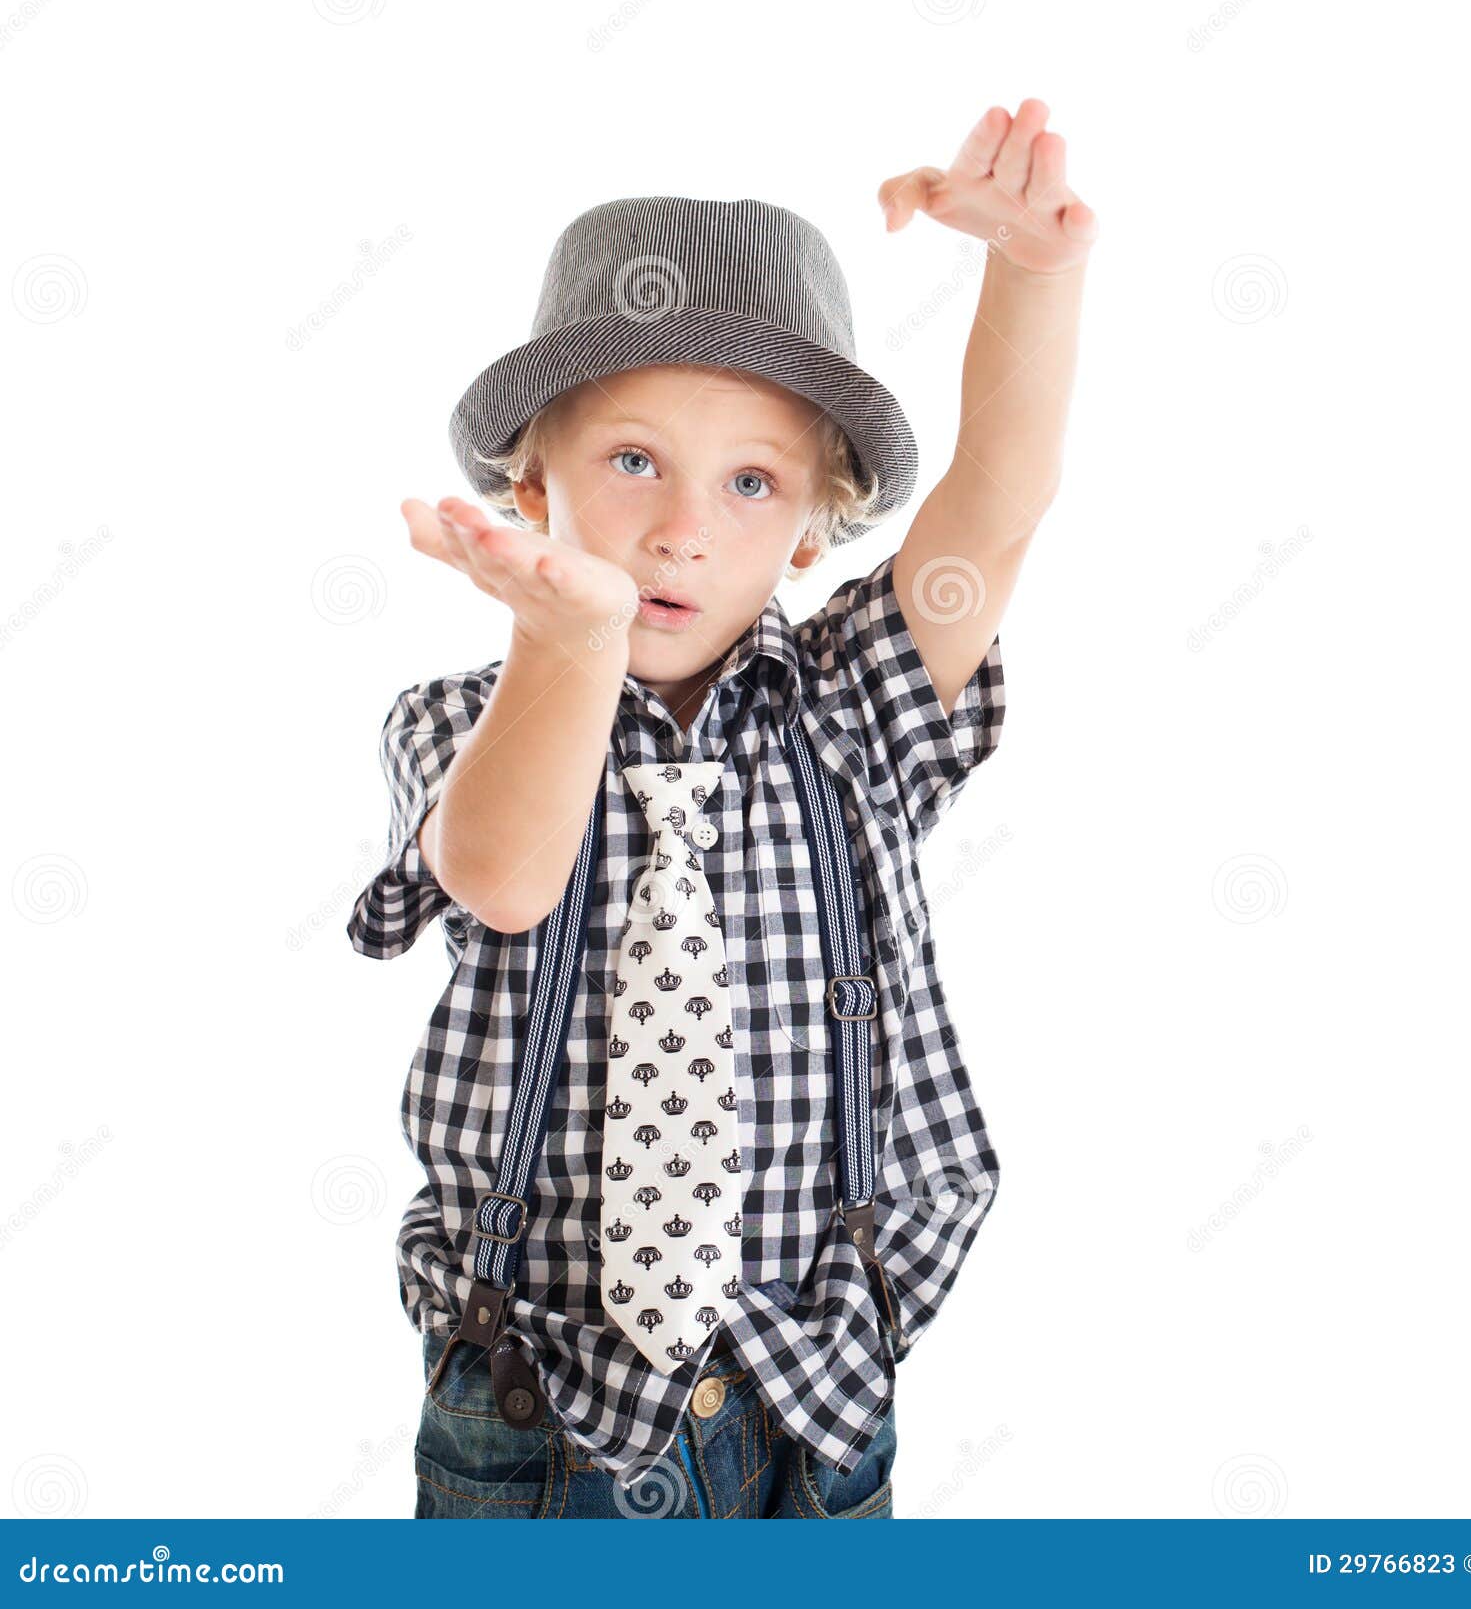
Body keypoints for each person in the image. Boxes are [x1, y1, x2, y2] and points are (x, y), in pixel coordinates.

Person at [348, 97, 1096, 1518]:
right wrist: (566, 643)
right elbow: (505, 874)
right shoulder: (461, 717)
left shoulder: (856, 703)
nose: (683, 526)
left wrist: (1032, 273)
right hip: (537, 1413)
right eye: (633, 462)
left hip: (809, 1400)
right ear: (531, 475)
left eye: (749, 482)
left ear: (817, 519)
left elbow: (993, 509)